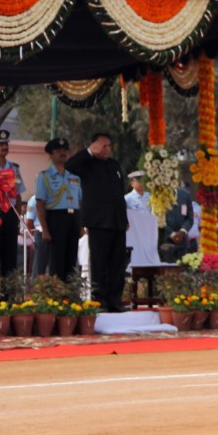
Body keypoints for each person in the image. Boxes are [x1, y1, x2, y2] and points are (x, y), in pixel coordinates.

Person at [65, 132, 129, 312]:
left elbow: (119, 193)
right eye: (103, 145)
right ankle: (99, 301)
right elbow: (70, 165)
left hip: (117, 221)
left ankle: (115, 300)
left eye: (109, 145)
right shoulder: (87, 163)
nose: (107, 149)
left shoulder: (114, 165)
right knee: (99, 263)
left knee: (117, 263)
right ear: (94, 146)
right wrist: (88, 152)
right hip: (99, 221)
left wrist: (124, 218)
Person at [35, 137, 83, 280]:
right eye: (58, 150)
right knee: (57, 260)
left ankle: (70, 296)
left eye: (65, 150)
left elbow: (80, 202)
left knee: (71, 259)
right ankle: (58, 296)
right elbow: (40, 203)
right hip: (56, 219)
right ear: (50, 154)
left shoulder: (75, 177)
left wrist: (81, 224)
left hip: (73, 218)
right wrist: (45, 229)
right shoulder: (44, 176)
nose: (62, 153)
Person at [0, 129, 26, 276]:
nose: (4, 147)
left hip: (10, 214)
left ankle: (9, 294)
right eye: (0, 144)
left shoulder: (14, 168)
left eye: (6, 144)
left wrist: (18, 217)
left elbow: (19, 194)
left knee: (10, 256)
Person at [159, 184, 195, 263]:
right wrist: (172, 234)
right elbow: (158, 219)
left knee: (182, 270)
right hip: (166, 240)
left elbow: (189, 218)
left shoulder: (185, 194)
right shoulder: (159, 195)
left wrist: (182, 231)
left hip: (182, 240)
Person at [24, 196, 48, 277]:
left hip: (55, 231)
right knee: (39, 265)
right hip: (40, 231)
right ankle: (36, 287)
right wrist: (34, 236)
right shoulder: (33, 199)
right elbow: (29, 222)